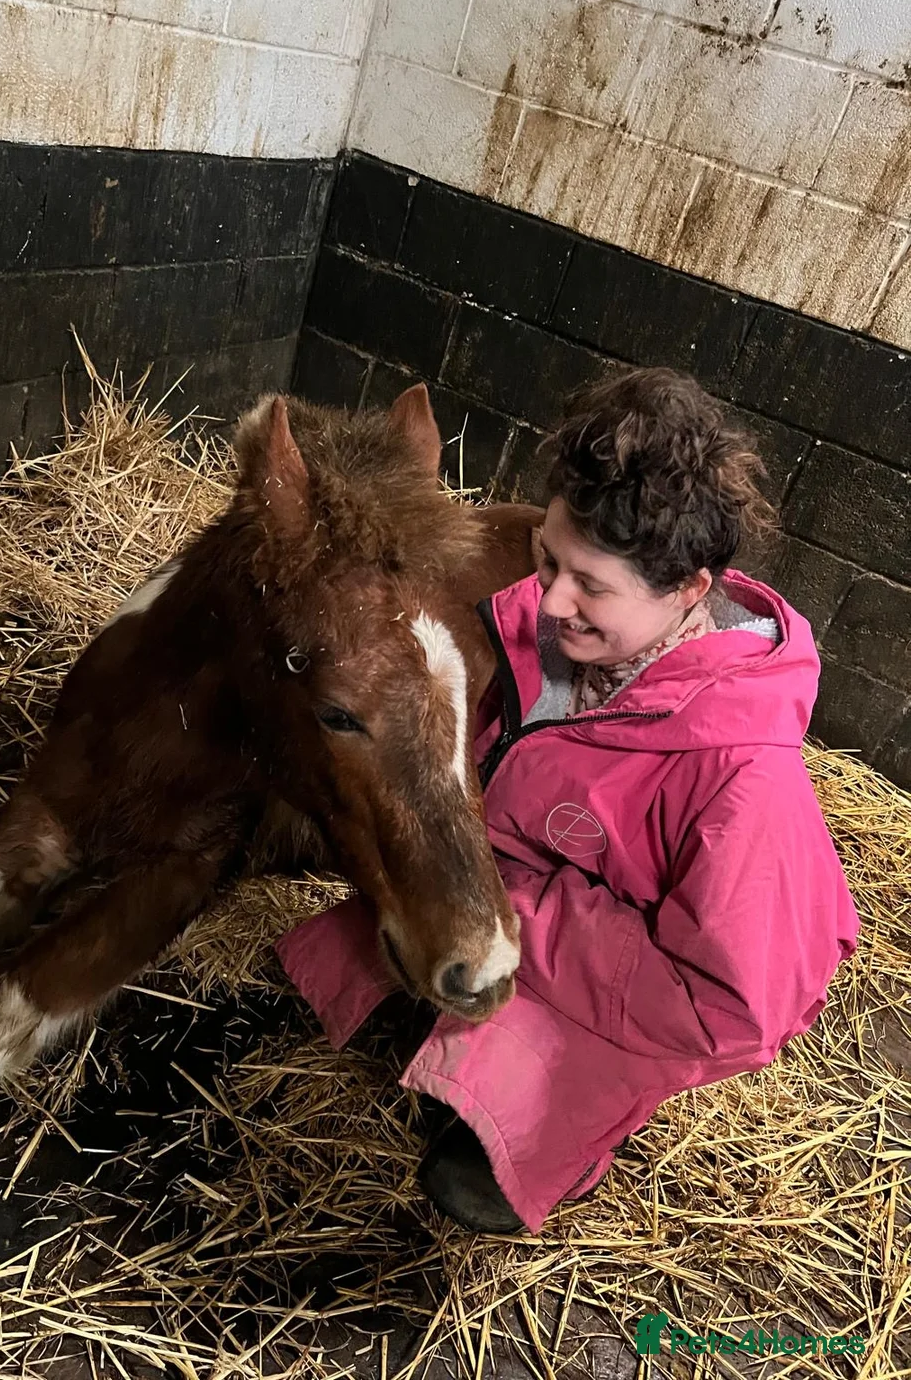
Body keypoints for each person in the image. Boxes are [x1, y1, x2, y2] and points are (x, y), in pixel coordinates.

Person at [277, 367, 860, 1234]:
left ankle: (567, 1132)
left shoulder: (744, 777)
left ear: (690, 591)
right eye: (549, 558)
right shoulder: (552, 636)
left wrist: (510, 912)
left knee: (473, 1160)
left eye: (591, 584)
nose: (549, 599)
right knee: (350, 977)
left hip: (623, 977)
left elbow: (728, 1003)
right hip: (512, 888)